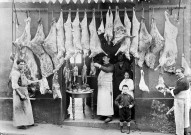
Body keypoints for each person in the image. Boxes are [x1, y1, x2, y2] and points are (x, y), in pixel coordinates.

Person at [10, 59, 38, 129]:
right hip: (18, 92)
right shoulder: (15, 73)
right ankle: (20, 124)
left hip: (24, 91)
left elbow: (26, 81)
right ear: (17, 64)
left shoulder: (22, 72)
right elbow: (14, 85)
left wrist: (37, 81)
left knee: (27, 107)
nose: (23, 66)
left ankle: (29, 122)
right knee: (19, 108)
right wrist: (20, 95)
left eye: (24, 64)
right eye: (21, 64)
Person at [166, 67, 190, 135]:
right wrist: (173, 88)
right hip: (183, 101)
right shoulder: (183, 79)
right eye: (176, 72)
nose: (176, 74)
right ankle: (185, 132)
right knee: (184, 118)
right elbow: (180, 88)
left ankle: (179, 133)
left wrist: (169, 91)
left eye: (178, 72)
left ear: (182, 72)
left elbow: (176, 91)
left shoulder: (182, 81)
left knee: (179, 118)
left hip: (181, 102)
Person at [94, 54, 114, 123]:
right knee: (102, 101)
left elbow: (107, 70)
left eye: (104, 58)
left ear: (108, 59)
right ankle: (103, 114)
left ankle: (109, 116)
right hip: (101, 86)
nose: (103, 59)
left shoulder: (111, 66)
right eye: (103, 58)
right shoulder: (103, 66)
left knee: (107, 101)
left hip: (108, 87)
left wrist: (99, 66)